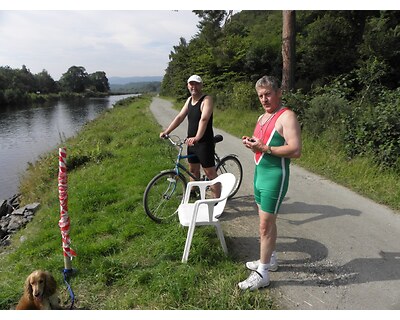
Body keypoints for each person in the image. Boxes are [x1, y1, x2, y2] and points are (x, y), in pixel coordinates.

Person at [239, 75, 302, 291]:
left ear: (278, 93)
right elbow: (262, 143)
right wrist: (253, 143)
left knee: (265, 225)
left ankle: (262, 273)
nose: (264, 99)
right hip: (260, 174)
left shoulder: (287, 116)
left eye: (268, 94)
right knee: (266, 222)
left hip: (275, 176)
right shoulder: (262, 117)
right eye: (260, 96)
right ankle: (270, 258)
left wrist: (265, 149)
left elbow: (295, 150)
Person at [160, 75, 220, 198]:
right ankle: (193, 192)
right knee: (193, 170)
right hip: (191, 142)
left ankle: (217, 202)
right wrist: (167, 131)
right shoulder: (189, 100)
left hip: (203, 142)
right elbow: (179, 117)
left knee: (210, 173)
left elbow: (204, 119)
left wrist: (197, 137)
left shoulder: (206, 100)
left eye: (196, 84)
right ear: (188, 86)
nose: (194, 86)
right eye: (191, 84)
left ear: (201, 85)